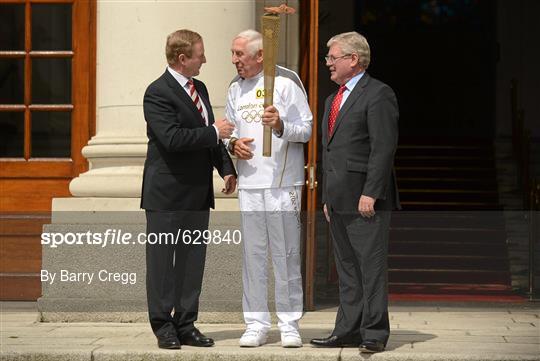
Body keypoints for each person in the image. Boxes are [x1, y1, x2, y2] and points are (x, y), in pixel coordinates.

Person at [141, 29, 237, 350]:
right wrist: (213, 131)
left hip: (197, 195)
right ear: (182, 59)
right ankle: (163, 326)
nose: (205, 59)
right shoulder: (157, 93)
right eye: (200, 54)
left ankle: (186, 324)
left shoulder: (201, 88)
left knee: (191, 262)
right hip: (166, 195)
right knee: (162, 264)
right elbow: (173, 139)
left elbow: (210, 136)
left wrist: (226, 168)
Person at [309, 31, 400, 353]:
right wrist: (325, 197)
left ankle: (374, 332)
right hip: (337, 198)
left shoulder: (378, 94)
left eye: (332, 57)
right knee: (346, 268)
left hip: (365, 199)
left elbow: (383, 148)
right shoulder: (331, 99)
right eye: (328, 58)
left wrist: (370, 193)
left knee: (370, 268)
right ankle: (347, 329)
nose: (328, 63)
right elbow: (329, 153)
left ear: (353, 59)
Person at [224, 29, 312, 348]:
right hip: (249, 183)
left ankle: (289, 324)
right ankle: (256, 323)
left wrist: (280, 126)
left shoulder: (287, 82)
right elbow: (227, 129)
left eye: (239, 54)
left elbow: (306, 129)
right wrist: (233, 144)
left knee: (286, 253)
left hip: (282, 182)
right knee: (254, 255)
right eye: (233, 54)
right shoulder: (235, 87)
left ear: (260, 55)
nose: (234, 60)